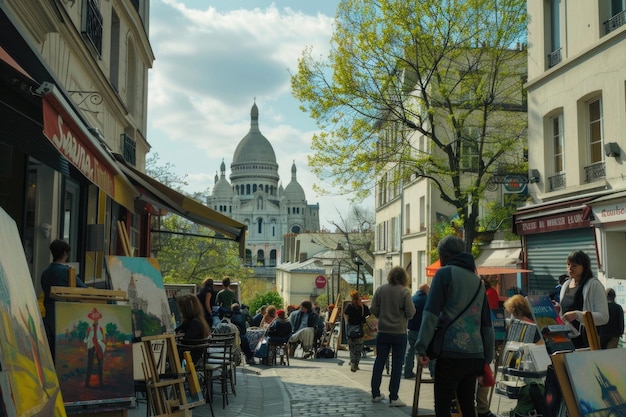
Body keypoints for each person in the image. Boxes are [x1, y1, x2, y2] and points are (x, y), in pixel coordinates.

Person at [416, 235, 495, 417]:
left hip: (451, 352)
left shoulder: (444, 273)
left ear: (444, 255)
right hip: (475, 354)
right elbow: (486, 324)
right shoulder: (478, 282)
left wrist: (421, 348)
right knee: (467, 405)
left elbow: (431, 314)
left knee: (443, 405)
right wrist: (486, 358)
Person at [369, 266, 416, 407]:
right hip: (399, 333)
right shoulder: (404, 292)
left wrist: (382, 316)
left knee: (379, 362)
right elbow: (411, 312)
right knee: (397, 365)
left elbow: (373, 309)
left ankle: (375, 393)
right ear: (404, 278)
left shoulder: (381, 290)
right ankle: (393, 397)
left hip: (383, 332)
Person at [41, 239, 87, 360]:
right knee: (65, 353)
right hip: (65, 316)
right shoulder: (67, 272)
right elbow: (84, 290)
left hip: (49, 316)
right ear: (65, 254)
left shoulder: (45, 273)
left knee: (51, 352)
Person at [556, 250, 609, 349]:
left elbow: (604, 317)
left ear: (584, 267)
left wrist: (577, 315)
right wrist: (558, 309)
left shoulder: (594, 285)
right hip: (566, 340)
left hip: (586, 342)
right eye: (568, 265)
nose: (570, 268)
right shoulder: (566, 285)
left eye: (574, 265)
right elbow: (564, 311)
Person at [476, 277, 500, 417]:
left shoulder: (488, 294)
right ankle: (482, 410)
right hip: (476, 347)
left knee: (483, 380)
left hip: (475, 347)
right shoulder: (483, 295)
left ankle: (482, 409)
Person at [175, 294, 211, 364]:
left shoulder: (194, 323)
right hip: (196, 355)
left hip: (191, 357)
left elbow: (186, 341)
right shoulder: (197, 320)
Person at [404, 283, 429, 379]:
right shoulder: (427, 300)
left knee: (410, 351)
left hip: (411, 328)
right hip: (423, 329)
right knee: (426, 350)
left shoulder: (412, 298)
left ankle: (407, 372)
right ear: (426, 290)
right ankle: (433, 373)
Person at [343, 290, 370, 372]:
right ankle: (356, 364)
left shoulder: (349, 306)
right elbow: (368, 315)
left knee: (352, 347)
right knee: (358, 348)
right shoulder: (363, 307)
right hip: (360, 329)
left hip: (351, 329)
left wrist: (347, 323)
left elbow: (345, 314)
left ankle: (352, 362)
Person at [84, 308, 106, 387]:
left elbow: (103, 338)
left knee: (100, 365)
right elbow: (86, 339)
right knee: (89, 365)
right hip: (91, 347)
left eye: (96, 319)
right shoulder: (89, 329)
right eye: (94, 319)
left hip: (99, 347)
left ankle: (101, 383)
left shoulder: (100, 329)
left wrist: (100, 344)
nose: (95, 321)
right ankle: (87, 383)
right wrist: (89, 341)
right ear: (92, 319)